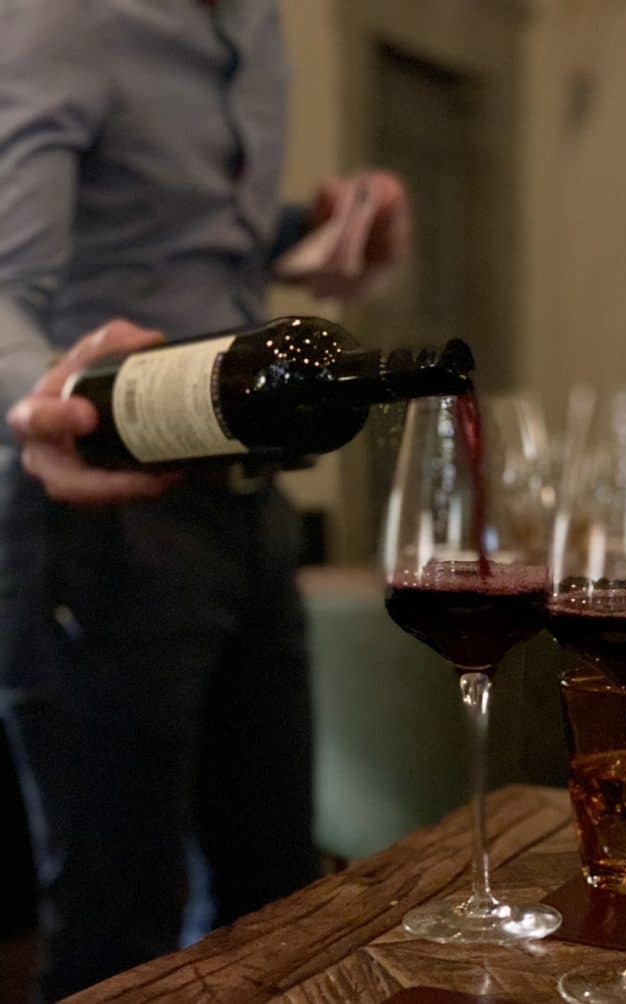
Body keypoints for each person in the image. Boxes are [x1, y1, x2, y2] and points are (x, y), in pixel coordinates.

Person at [0, 2, 410, 999]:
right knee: (122, 932)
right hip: (102, 513)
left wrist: (311, 225)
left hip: (252, 509)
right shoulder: (59, 17)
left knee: (276, 904)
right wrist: (38, 408)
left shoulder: (256, 25)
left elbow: (178, 234)